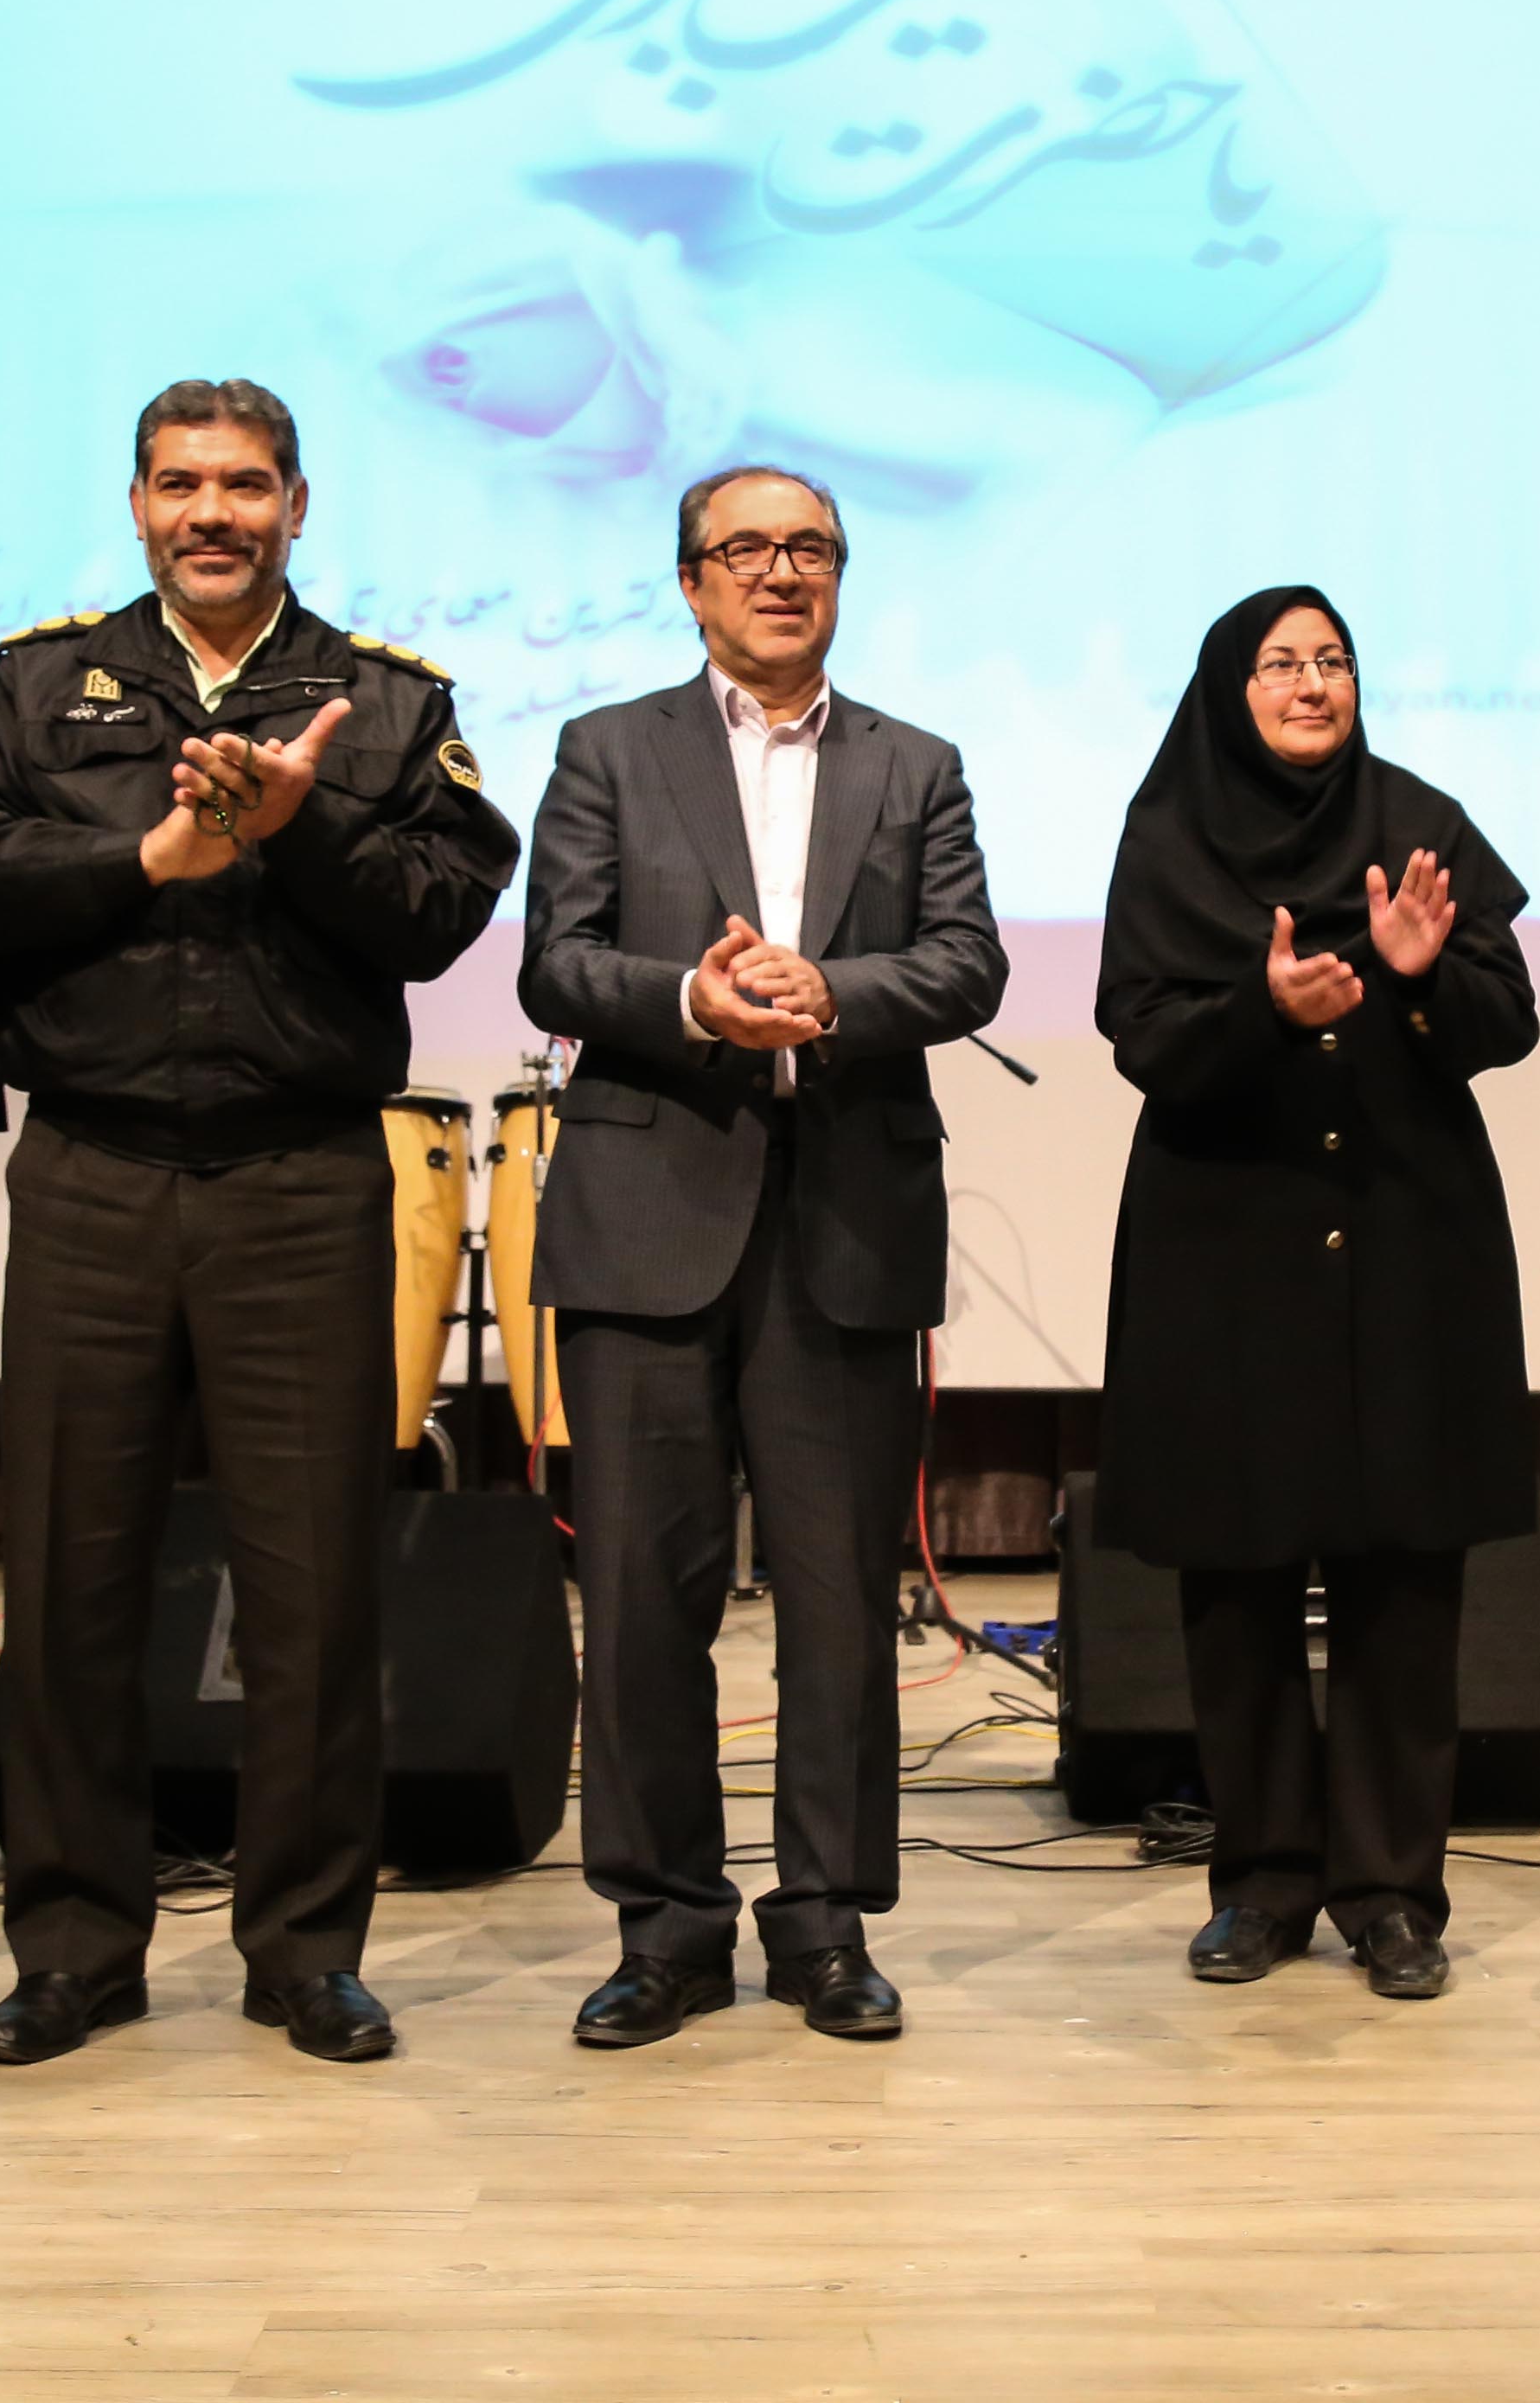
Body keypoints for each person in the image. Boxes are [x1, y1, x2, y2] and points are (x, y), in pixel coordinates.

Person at [0, 379, 513, 2068]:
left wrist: (300, 827)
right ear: (137, 503)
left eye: (246, 485)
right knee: (72, 1579)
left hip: (301, 1180)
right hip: (92, 1174)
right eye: (181, 483)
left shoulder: (387, 699)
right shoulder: (36, 685)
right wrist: (150, 857)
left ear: (296, 505)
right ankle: (73, 1947)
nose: (213, 513)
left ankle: (304, 1948)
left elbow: (444, 914)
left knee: (313, 1593)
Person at [515, 466, 1007, 2050]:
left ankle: (824, 1924)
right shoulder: (608, 747)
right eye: (746, 549)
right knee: (639, 1600)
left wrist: (832, 992)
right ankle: (663, 1929)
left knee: (839, 1601)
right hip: (647, 1214)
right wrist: (693, 1000)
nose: (780, 572)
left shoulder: (914, 763)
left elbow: (969, 962)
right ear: (690, 581)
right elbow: (556, 959)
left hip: (844, 1218)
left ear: (840, 576)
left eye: (809, 549)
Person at [1091, 588, 1539, 2003]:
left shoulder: (1421, 819)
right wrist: (1263, 1014)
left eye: (1332, 659)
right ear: (1230, 688)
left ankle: (1393, 1894)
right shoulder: (1168, 833)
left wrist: (1421, 977)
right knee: (1237, 1587)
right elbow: (1142, 1035)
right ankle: (1262, 1881)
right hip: (1225, 1249)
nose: (1310, 682)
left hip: (1406, 1239)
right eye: (1280, 663)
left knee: (1405, 1585)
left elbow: (1508, 1019)